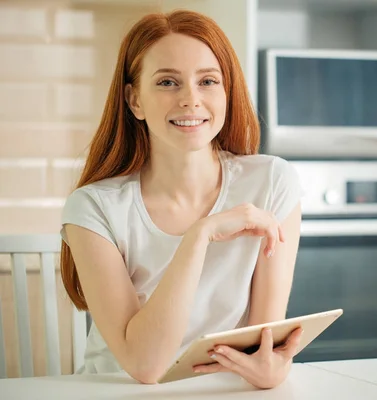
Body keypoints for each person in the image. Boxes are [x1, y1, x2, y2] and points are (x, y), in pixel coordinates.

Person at [59, 9, 303, 389]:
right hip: (116, 390)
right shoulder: (93, 207)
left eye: (208, 81)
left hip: (221, 390)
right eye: (168, 82)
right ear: (134, 100)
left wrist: (273, 369)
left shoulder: (272, 182)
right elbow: (145, 366)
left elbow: (264, 340)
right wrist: (200, 235)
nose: (191, 99)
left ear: (227, 93)